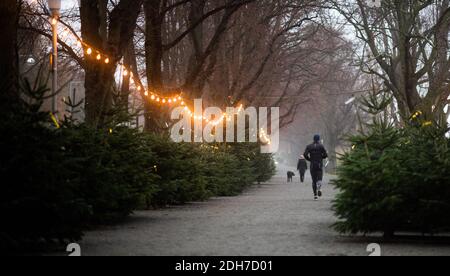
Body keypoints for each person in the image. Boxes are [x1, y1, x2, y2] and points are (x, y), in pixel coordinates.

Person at [304, 135, 328, 201]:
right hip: (319, 164)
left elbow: (305, 155)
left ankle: (315, 196)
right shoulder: (321, 146)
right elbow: (326, 155)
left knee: (313, 181)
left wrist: (309, 159)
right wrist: (321, 158)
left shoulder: (309, 146)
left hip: (312, 165)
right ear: (319, 139)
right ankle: (319, 187)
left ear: (313, 139)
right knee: (319, 178)